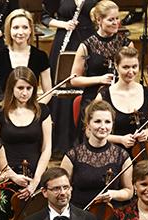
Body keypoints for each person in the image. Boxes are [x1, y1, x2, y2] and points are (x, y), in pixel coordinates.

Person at [43, 0, 100, 154]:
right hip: (65, 41)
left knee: (86, 89)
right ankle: (61, 143)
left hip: (90, 42)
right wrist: (64, 24)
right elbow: (45, 18)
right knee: (62, 90)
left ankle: (84, 142)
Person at [61, 100, 132, 212]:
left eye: (107, 122)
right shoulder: (72, 156)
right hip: (79, 214)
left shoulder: (122, 156)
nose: (103, 126)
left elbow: (129, 191)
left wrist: (113, 194)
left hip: (111, 214)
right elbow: (63, 189)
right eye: (97, 121)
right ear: (88, 124)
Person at [0, 67, 52, 190]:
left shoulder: (43, 111)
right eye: (20, 88)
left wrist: (36, 181)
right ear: (11, 88)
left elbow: (46, 148)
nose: (25, 93)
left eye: (29, 88)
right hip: (6, 176)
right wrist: (12, 176)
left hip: (36, 175)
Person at [70, 0, 133, 124]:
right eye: (111, 20)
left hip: (119, 97)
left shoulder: (126, 44)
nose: (116, 23)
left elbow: (133, 75)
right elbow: (74, 80)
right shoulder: (86, 46)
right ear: (99, 20)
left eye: (117, 18)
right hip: (93, 99)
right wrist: (100, 79)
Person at [0, 9, 52, 108]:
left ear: (30, 30)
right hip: (5, 108)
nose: (20, 32)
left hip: (31, 109)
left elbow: (48, 91)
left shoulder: (40, 56)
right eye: (15, 27)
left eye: (25, 27)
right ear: (9, 30)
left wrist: (34, 109)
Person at [95, 47, 148, 151]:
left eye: (134, 67)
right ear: (116, 66)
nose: (131, 71)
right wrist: (120, 139)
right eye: (126, 67)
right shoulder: (104, 95)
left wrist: (146, 133)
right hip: (111, 152)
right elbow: (90, 132)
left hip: (140, 152)